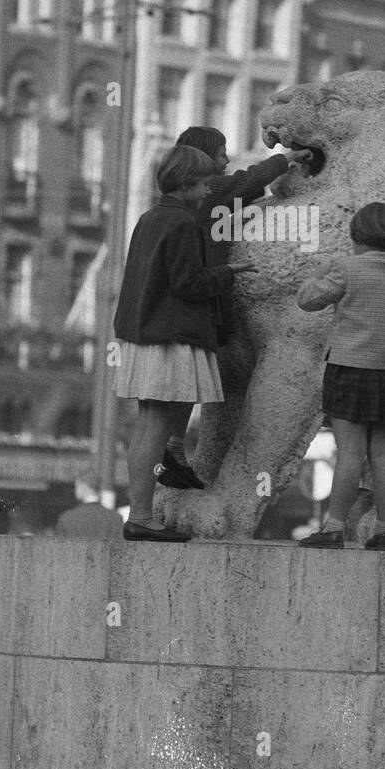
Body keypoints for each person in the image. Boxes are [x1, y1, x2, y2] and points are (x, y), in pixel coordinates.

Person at [154, 126, 312, 490]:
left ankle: (174, 453)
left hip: (188, 309)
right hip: (200, 306)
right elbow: (244, 183)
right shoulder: (210, 192)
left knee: (190, 385)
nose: (226, 160)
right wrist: (284, 161)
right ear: (202, 159)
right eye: (221, 153)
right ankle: (170, 455)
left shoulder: (190, 203)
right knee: (187, 384)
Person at [113, 144, 255, 541]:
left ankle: (138, 513)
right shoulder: (183, 224)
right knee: (156, 430)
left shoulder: (150, 218)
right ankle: (140, 516)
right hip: (170, 336)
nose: (210, 189)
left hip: (144, 333)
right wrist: (228, 273)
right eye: (206, 182)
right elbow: (187, 284)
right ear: (187, 183)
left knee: (146, 428)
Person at [295, 202, 385, 550]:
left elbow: (307, 300)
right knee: (383, 453)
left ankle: (334, 528)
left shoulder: (347, 270)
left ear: (356, 235)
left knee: (350, 452)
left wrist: (319, 272)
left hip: (350, 368)